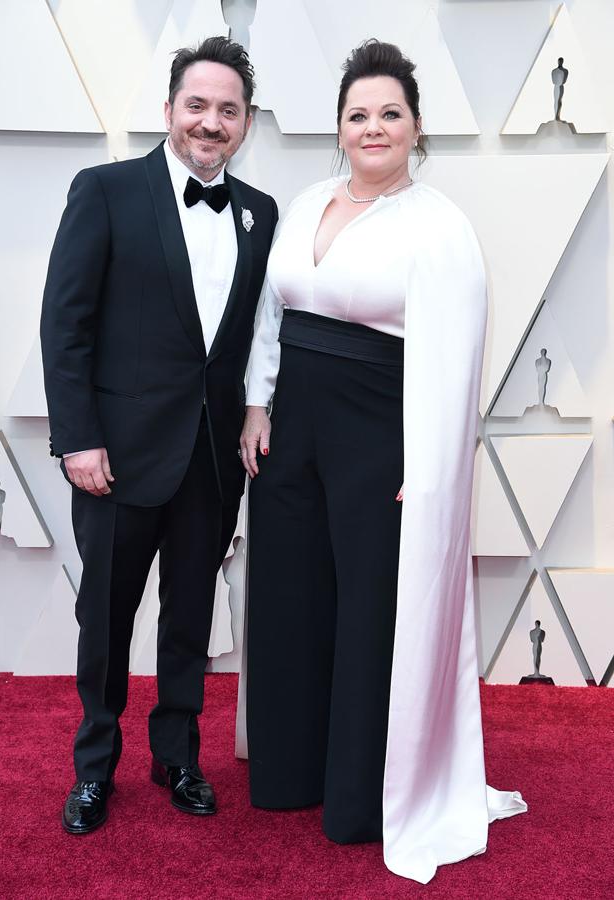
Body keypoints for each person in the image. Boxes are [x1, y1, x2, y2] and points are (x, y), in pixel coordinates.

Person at [240, 39, 525, 883]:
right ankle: (290, 773)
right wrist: (258, 404)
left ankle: (363, 791)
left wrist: (428, 464)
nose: (373, 127)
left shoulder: (441, 227)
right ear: (338, 127)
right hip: (291, 430)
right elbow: (270, 310)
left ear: (416, 128)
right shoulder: (305, 203)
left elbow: (454, 358)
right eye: (358, 114)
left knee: (373, 612)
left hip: (382, 438)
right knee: (290, 599)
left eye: (389, 114)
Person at [40, 36, 278, 835]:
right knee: (104, 618)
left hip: (211, 461)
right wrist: (77, 438)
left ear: (246, 122)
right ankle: (93, 769)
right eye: (198, 105)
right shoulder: (105, 191)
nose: (212, 122)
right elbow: (65, 326)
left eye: (229, 110)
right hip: (117, 455)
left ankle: (178, 757)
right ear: (171, 108)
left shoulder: (260, 212)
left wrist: (256, 406)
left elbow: (255, 334)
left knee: (190, 620)